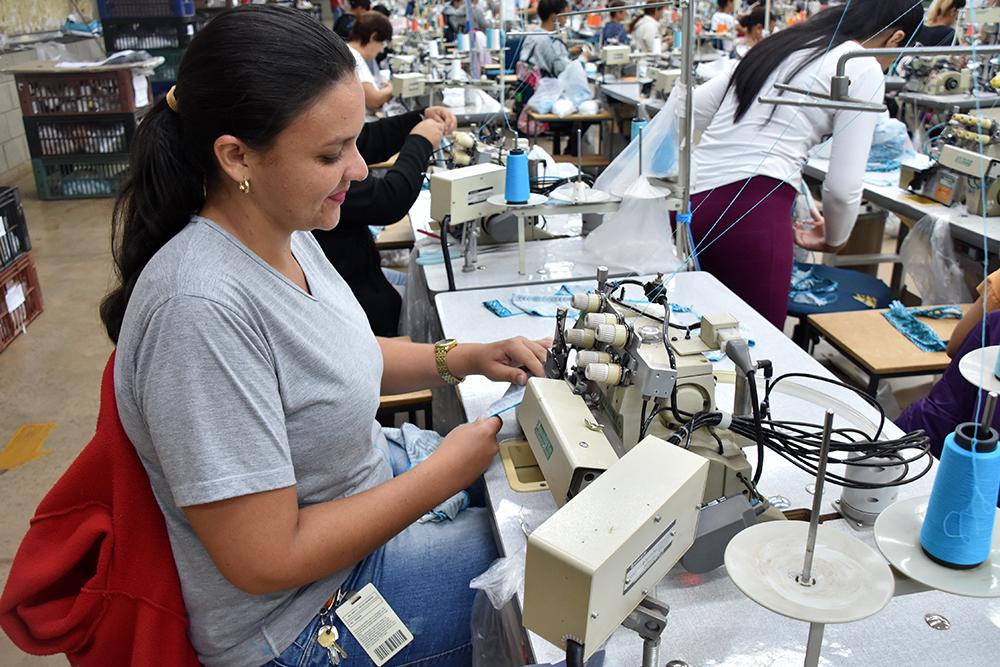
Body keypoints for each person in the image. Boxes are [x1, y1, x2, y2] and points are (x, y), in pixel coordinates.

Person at [102, 6, 550, 665]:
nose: (362, 170)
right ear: (237, 156)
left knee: (531, 505)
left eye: (357, 143)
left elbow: (336, 356)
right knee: (556, 576)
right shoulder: (198, 309)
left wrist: (458, 357)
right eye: (330, 153)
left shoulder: (285, 228)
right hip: (303, 617)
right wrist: (443, 472)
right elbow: (265, 557)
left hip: (355, 505)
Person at [686, 0, 922, 329]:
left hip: (688, 206)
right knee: (754, 352)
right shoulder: (859, 63)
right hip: (750, 217)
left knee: (685, 343)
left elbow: (690, 107)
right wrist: (835, 236)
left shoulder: (778, 45)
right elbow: (842, 188)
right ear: (896, 39)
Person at [313, 107, 457, 337]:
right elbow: (387, 200)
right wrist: (420, 141)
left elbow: (365, 139)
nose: (361, 170)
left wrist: (418, 118)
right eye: (333, 153)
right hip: (362, 310)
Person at [520, 0, 587, 78]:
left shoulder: (532, 36)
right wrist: (584, 58)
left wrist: (568, 53)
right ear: (554, 17)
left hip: (530, 86)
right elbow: (567, 73)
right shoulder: (553, 43)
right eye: (564, 16)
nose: (566, 21)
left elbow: (545, 59)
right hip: (547, 88)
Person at [348, 11, 394, 116]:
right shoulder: (354, 58)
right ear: (373, 37)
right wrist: (391, 88)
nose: (381, 50)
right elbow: (374, 100)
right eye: (381, 43)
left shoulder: (349, 52)